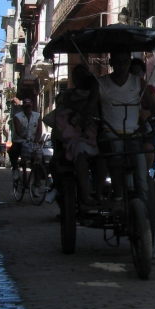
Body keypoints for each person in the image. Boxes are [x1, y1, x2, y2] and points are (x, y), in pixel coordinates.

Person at [88, 50, 149, 202]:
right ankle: (118, 196)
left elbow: (153, 105)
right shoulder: (101, 83)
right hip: (110, 133)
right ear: (111, 63)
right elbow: (89, 107)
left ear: (130, 63)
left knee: (140, 160)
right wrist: (85, 118)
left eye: (126, 62)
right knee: (116, 151)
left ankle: (144, 199)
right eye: (118, 62)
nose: (122, 66)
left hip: (133, 134)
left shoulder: (138, 82)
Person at [52, 64, 101, 205]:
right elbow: (67, 103)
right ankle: (86, 195)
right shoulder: (69, 95)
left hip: (96, 134)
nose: (81, 78)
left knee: (105, 155)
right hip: (77, 136)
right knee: (80, 151)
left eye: (84, 74)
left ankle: (99, 193)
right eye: (78, 75)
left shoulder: (99, 95)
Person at [130, 57, 155, 169]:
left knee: (147, 148)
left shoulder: (150, 89)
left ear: (143, 74)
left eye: (139, 73)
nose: (137, 76)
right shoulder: (126, 92)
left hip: (148, 133)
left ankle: (144, 175)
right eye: (133, 73)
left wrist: (148, 113)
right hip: (129, 132)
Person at [10, 96, 42, 186]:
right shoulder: (17, 116)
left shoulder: (37, 115)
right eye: (26, 106)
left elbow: (39, 130)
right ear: (23, 107)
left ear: (32, 106)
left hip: (32, 141)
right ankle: (15, 169)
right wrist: (24, 137)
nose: (28, 108)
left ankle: (36, 181)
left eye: (29, 106)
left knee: (36, 160)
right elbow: (18, 130)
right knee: (12, 152)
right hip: (20, 141)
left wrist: (35, 141)